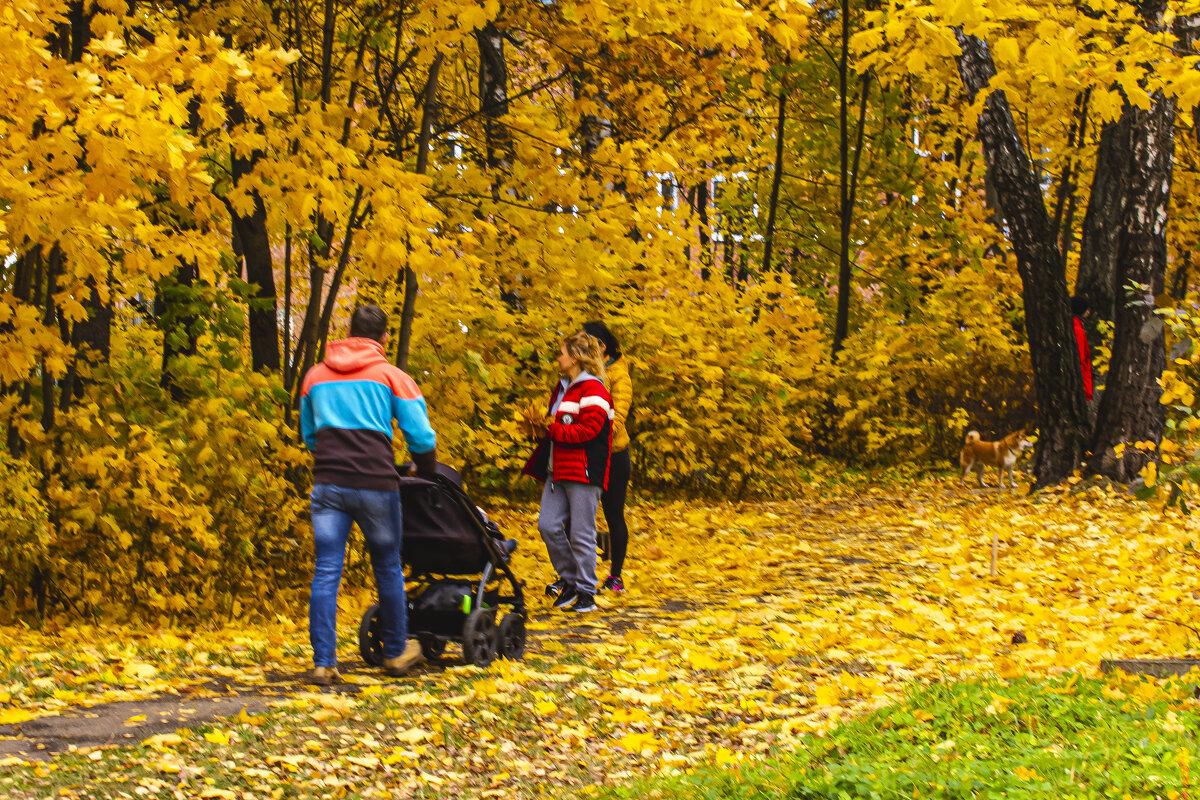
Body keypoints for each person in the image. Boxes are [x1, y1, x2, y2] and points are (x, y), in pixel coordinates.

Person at [300, 304, 437, 685]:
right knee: (388, 567)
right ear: (384, 338)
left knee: (327, 570)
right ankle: (395, 653)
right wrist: (425, 471)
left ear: (349, 332)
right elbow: (421, 436)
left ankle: (324, 663)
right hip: (376, 485)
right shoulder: (391, 376)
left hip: (328, 484)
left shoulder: (314, 376)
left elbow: (310, 434)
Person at [523, 330, 613, 613]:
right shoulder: (562, 388)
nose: (558, 358)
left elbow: (588, 431)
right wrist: (538, 428)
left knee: (582, 534)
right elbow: (558, 426)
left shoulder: (595, 390)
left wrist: (551, 429)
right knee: (547, 526)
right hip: (557, 470)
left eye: (562, 353)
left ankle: (587, 592)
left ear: (574, 358)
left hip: (584, 472)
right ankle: (571, 580)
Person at [582, 320, 632, 594]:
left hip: (614, 456)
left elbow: (619, 418)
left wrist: (589, 437)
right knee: (574, 517)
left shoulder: (619, 376)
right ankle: (598, 544)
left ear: (602, 346)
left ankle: (616, 576)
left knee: (613, 513)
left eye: (588, 344)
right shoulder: (582, 373)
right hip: (586, 455)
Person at [1071, 295, 1093, 403]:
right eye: (1087, 309)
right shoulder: (1078, 330)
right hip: (1080, 386)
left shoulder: (1075, 326)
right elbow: (1080, 359)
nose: (1089, 312)